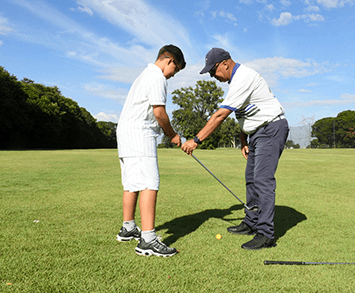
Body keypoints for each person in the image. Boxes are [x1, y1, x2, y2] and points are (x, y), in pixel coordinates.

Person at [181, 48, 289, 250]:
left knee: (263, 181)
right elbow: (243, 116)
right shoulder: (235, 83)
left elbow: (220, 116)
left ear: (225, 63)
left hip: (271, 128)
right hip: (257, 133)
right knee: (251, 178)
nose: (213, 77)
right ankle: (252, 222)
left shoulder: (243, 77)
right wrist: (243, 140)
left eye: (213, 72)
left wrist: (196, 140)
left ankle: (266, 234)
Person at [115, 44, 185, 257]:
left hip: (126, 134)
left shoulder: (143, 75)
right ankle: (147, 239)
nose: (174, 75)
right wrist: (173, 135)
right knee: (149, 183)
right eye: (177, 69)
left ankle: (128, 228)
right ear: (169, 60)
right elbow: (159, 112)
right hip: (140, 134)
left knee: (132, 183)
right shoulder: (157, 77)